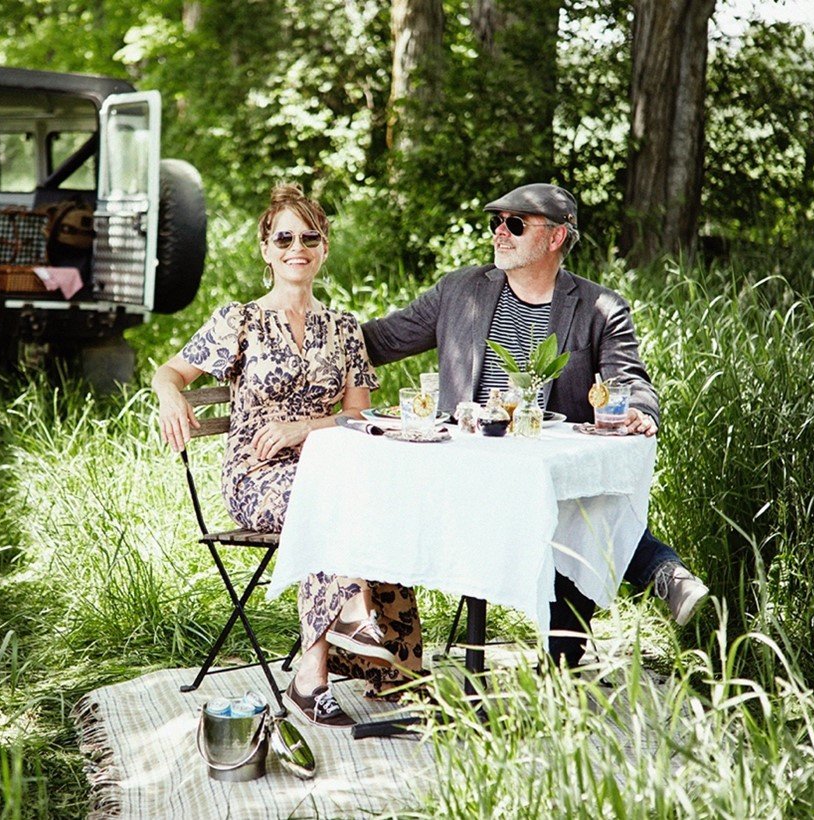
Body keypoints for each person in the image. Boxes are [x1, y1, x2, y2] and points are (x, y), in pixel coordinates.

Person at [361, 183, 709, 668]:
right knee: (570, 506)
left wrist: (640, 412)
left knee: (573, 500)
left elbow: (629, 378)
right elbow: (379, 340)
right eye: (496, 223)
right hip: (463, 469)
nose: (500, 233)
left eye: (515, 224)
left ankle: (599, 628)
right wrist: (299, 328)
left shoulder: (598, 308)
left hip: (541, 474)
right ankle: (662, 572)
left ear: (555, 238)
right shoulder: (459, 290)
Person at [152, 183, 423, 728]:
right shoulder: (240, 321)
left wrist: (303, 428)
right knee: (329, 502)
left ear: (324, 248)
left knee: (375, 500)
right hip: (256, 478)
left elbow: (358, 416)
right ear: (266, 248)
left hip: (329, 474)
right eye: (284, 237)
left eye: (309, 237)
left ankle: (355, 672)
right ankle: (343, 629)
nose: (297, 246)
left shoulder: (344, 327)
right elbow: (169, 371)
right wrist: (169, 398)